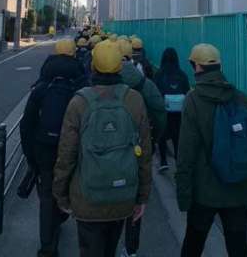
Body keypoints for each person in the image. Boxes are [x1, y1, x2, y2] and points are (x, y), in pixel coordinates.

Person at [53, 41, 152, 257]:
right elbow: (144, 152)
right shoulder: (134, 100)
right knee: (110, 247)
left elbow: (66, 154)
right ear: (120, 67)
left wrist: (61, 194)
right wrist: (142, 196)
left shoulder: (79, 102)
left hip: (87, 198)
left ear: (93, 66)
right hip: (123, 196)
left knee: (90, 249)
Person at [176, 44, 247, 257]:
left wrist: (184, 195)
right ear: (220, 66)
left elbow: (186, 154)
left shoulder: (193, 101)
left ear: (196, 67)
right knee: (238, 247)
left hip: (204, 192)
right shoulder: (243, 100)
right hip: (239, 188)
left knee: (193, 246)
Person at [20, 39, 87, 257]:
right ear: (74, 54)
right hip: (72, 150)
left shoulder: (42, 86)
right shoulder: (81, 85)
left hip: (44, 150)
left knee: (47, 196)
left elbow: (26, 125)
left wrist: (31, 158)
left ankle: (47, 247)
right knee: (67, 189)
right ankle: (61, 214)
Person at [118, 39, 166, 257]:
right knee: (136, 196)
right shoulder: (146, 84)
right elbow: (159, 112)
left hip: (110, 151)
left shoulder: (100, 85)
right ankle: (131, 248)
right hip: (139, 147)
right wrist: (153, 139)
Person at [155, 48, 190, 172]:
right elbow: (187, 92)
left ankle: (163, 161)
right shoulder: (182, 74)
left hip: (164, 110)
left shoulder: (159, 74)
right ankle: (178, 160)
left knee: (162, 134)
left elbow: (156, 93)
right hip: (178, 112)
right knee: (177, 135)